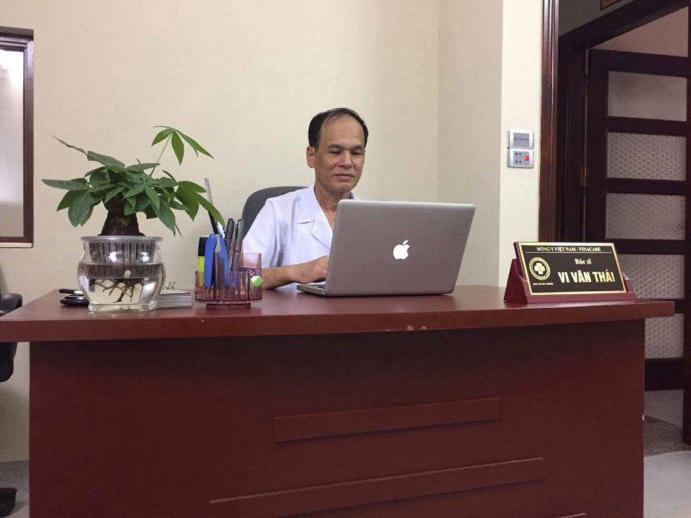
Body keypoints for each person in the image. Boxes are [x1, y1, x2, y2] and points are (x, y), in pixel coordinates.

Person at [242, 107, 368, 289]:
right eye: (335, 151)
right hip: (294, 309)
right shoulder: (278, 211)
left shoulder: (375, 218)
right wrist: (293, 273)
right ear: (311, 156)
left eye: (356, 153)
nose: (347, 162)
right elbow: (244, 281)